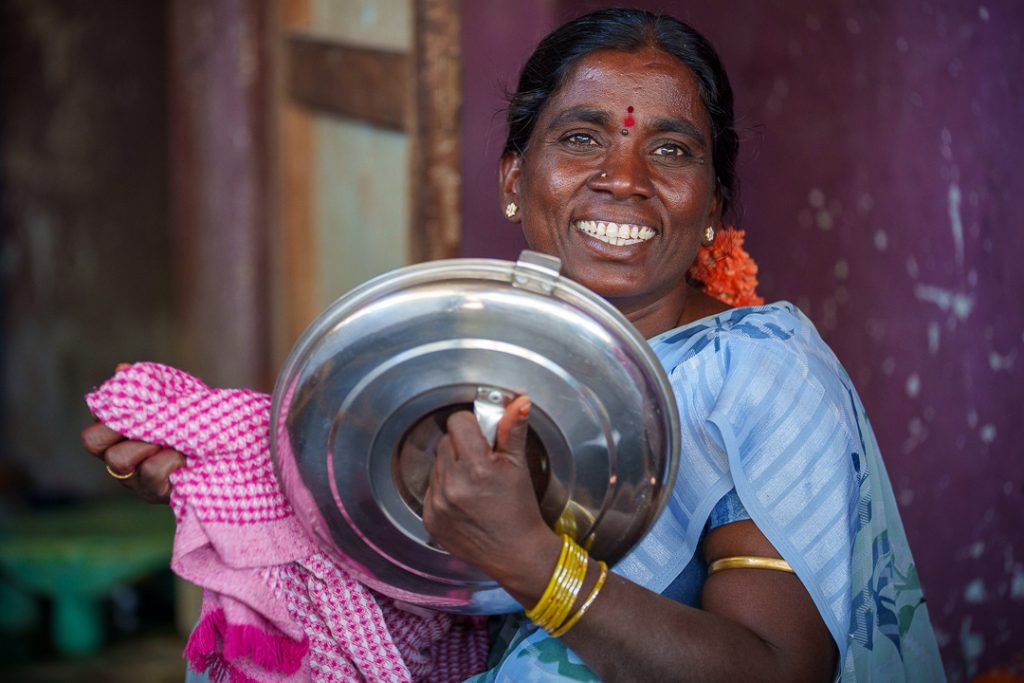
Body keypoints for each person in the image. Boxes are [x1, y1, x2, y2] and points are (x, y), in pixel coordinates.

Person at [82, 8, 944, 682]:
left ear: (715, 202)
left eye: (670, 150)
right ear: (512, 178)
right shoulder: (473, 352)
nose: (625, 178)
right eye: (581, 137)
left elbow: (779, 672)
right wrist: (258, 488)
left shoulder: (756, 371)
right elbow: (414, 563)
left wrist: (532, 561)